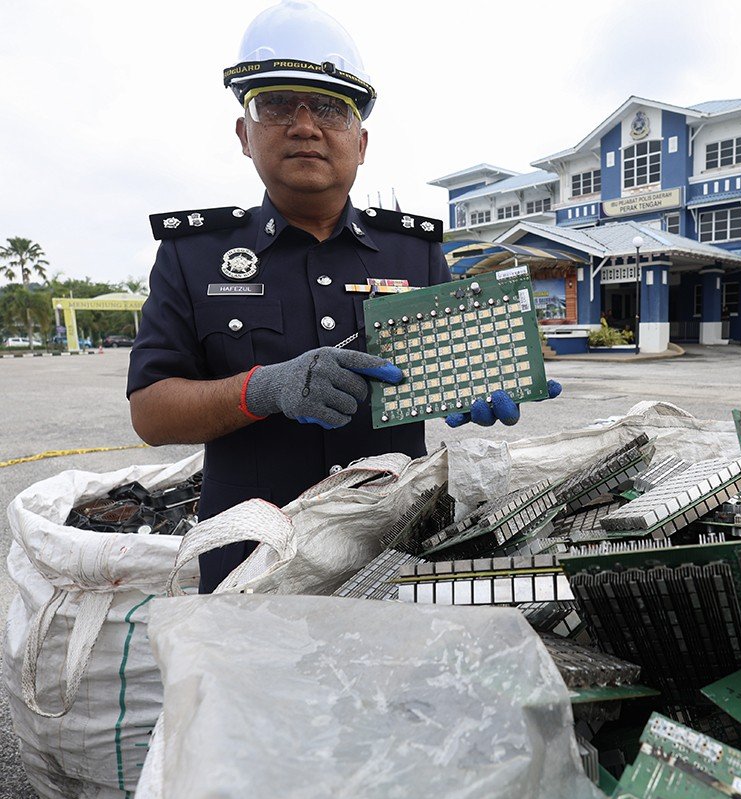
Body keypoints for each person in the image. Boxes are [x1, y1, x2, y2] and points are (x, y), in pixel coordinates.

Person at [127, 1, 557, 593]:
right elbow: (151, 412)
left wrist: (476, 382)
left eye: (330, 107)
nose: (305, 125)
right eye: (276, 104)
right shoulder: (193, 254)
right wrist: (264, 388)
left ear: (360, 142)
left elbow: (437, 373)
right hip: (250, 559)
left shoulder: (415, 253)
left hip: (390, 552)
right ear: (244, 134)